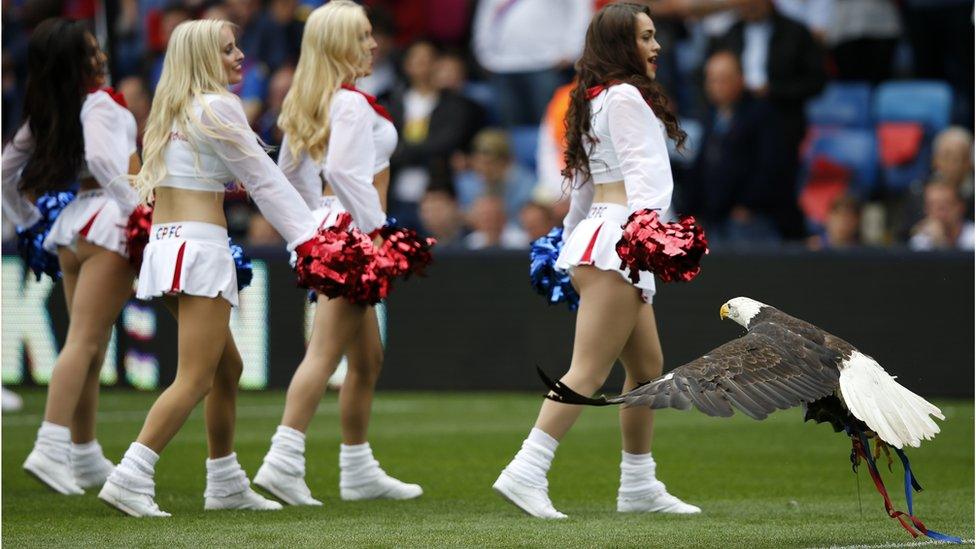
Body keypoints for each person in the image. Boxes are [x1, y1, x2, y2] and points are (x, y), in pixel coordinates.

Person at [98, 19, 321, 517]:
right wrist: (312, 240)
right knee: (195, 378)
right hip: (199, 249)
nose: (240, 56)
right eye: (227, 50)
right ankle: (131, 473)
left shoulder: (171, 109)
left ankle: (224, 482)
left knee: (228, 369)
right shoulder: (218, 105)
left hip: (166, 245)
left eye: (237, 46)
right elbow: (262, 180)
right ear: (202, 59)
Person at [493, 3, 699, 519]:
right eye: (646, 38)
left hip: (602, 237)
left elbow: (581, 184)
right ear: (619, 46)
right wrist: (652, 230)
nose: (656, 47)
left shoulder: (592, 98)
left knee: (648, 371)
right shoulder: (626, 96)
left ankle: (638, 485)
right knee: (587, 370)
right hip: (620, 241)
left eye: (655, 36)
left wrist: (567, 239)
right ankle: (527, 469)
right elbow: (647, 173)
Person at [254, 0, 422, 506]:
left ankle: (357, 469)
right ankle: (282, 459)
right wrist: (376, 234)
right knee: (326, 354)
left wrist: (312, 226)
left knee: (366, 358)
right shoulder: (346, 103)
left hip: (335, 228)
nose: (374, 45)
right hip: (355, 233)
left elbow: (287, 175)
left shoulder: (319, 98)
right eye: (364, 36)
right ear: (340, 44)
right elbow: (348, 174)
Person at [2, 18, 140, 496]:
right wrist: (138, 209)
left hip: (73, 224)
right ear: (73, 63)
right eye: (90, 53)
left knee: (91, 344)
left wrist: (28, 221)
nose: (101, 57)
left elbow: (6, 172)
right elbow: (105, 163)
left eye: (98, 49)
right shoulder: (99, 104)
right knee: (83, 341)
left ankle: (82, 454)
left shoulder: (52, 108)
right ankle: (50, 445)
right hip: (107, 219)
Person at [680, 50, 786, 246]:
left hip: (748, 219)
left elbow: (770, 165)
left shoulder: (762, 114)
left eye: (723, 79)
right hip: (713, 217)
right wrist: (691, 210)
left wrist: (748, 205)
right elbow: (700, 167)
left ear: (740, 79)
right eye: (712, 80)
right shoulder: (710, 117)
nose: (716, 86)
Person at [908, 180, 975, 251]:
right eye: (932, 205)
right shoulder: (921, 240)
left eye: (945, 204)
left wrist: (942, 243)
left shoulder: (973, 236)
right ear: (926, 209)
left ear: (961, 207)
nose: (939, 211)